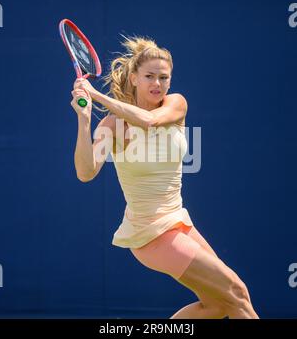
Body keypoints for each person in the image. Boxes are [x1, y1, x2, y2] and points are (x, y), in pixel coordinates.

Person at [70, 35, 259, 319]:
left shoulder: (176, 104)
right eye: (149, 76)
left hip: (179, 222)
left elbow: (149, 121)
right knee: (237, 293)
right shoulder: (112, 125)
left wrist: (96, 96)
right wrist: (84, 122)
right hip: (151, 235)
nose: (157, 84)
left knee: (221, 304)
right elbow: (86, 172)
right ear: (134, 79)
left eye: (163, 77)